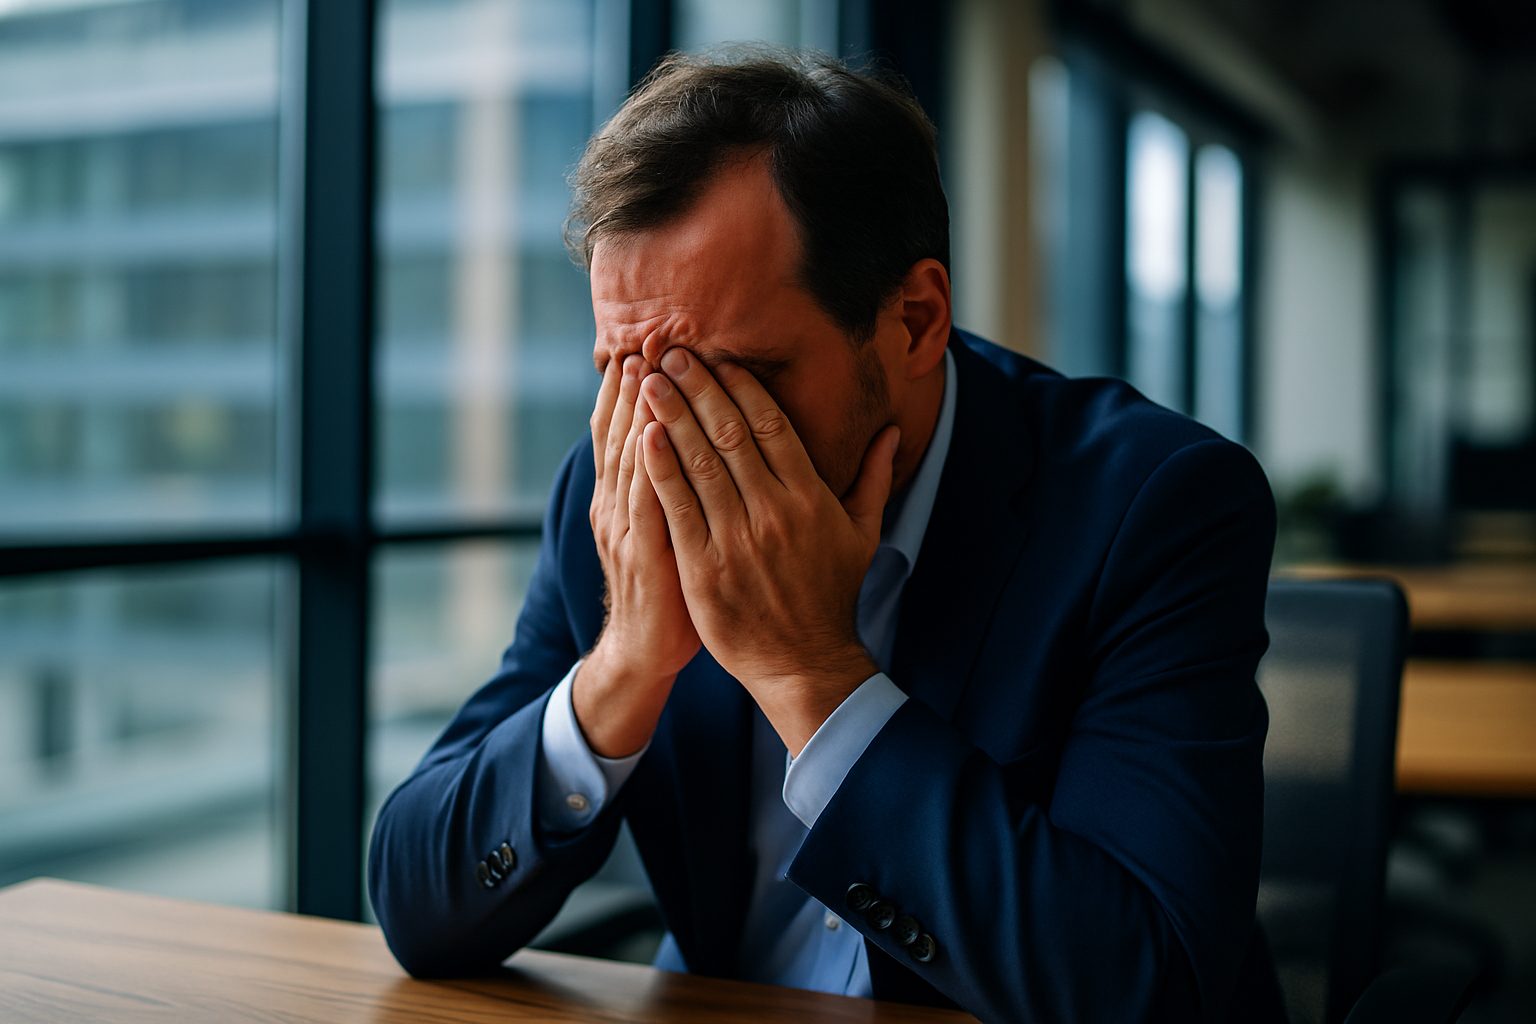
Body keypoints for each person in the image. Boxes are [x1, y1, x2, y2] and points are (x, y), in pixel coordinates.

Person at [369, 49, 1284, 1023]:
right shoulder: (616, 483)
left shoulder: (1153, 505)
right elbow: (418, 906)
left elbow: (1146, 990)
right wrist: (621, 670)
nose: (673, 437)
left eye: (735, 377)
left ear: (916, 320)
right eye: (629, 375)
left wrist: (813, 675)